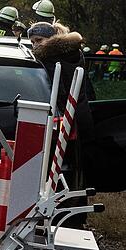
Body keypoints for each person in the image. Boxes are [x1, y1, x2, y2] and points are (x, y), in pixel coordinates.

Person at [29, 22, 94, 182]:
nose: (35, 45)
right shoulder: (74, 53)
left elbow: (58, 92)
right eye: (32, 42)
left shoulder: (50, 59)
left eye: (39, 40)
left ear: (52, 39)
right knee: (76, 165)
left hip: (63, 117)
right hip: (80, 113)